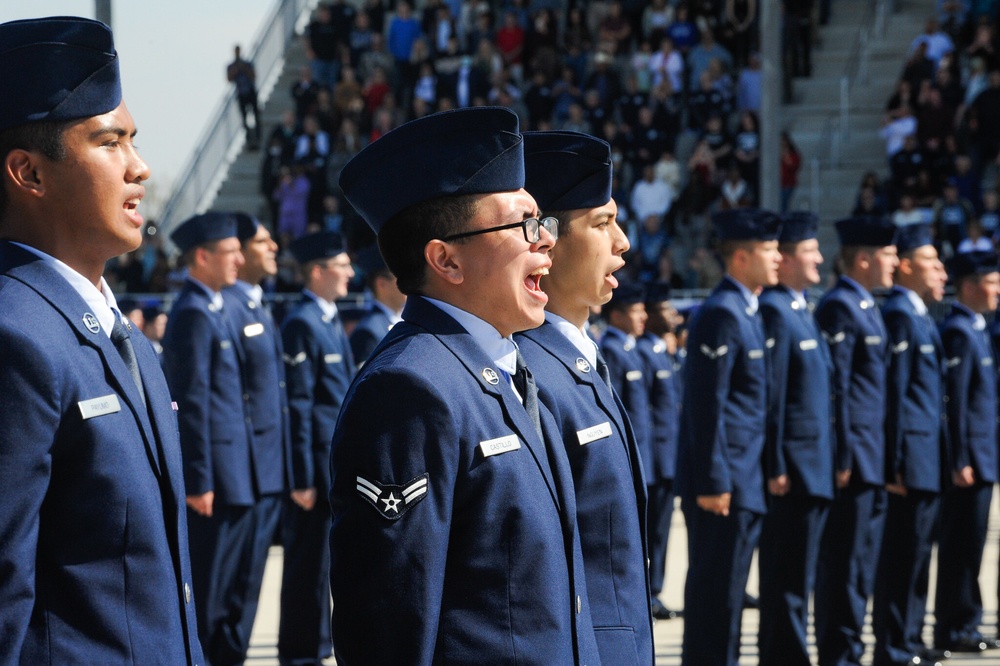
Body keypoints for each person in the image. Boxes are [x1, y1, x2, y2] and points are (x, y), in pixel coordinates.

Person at [331, 106, 599, 663]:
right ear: (446, 260)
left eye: (542, 222)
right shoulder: (410, 388)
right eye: (524, 225)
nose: (545, 241)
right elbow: (390, 624)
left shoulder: (506, 364)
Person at [0, 16, 201, 664]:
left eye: (133, 141)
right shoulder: (16, 339)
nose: (140, 169)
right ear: (29, 173)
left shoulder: (123, 339)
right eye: (110, 143)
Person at [514, 130, 654, 664]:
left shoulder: (578, 357)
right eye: (602, 224)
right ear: (545, 240)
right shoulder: (530, 370)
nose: (622, 242)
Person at [675, 208, 782, 666]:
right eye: (769, 250)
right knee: (716, 596)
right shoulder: (722, 313)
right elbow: (707, 404)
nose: (778, 258)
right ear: (741, 257)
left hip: (744, 477)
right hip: (724, 483)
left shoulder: (745, 309)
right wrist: (714, 480)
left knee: (732, 595)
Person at [162, 212, 263, 665]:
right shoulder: (192, 313)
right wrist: (199, 479)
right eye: (230, 252)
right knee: (210, 597)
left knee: (234, 597)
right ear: (202, 257)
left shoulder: (217, 306)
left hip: (237, 475)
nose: (240, 259)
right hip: (215, 483)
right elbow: (192, 403)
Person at [814, 216, 898, 666]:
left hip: (872, 457)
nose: (895, 263)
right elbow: (838, 388)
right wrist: (843, 454)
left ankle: (850, 649)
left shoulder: (864, 306)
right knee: (845, 567)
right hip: (856, 459)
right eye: (888, 255)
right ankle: (840, 654)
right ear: (863, 260)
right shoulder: (840, 306)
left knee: (861, 566)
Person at [756, 211, 835, 666]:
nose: (819, 257)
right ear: (783, 260)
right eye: (808, 250)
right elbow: (775, 396)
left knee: (800, 576)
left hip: (814, 467)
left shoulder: (800, 309)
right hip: (794, 470)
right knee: (786, 579)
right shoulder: (775, 311)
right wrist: (778, 464)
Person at [278, 229, 357, 664]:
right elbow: (300, 405)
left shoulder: (326, 318)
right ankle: (301, 651)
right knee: (306, 568)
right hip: (314, 471)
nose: (349, 272)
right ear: (317, 271)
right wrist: (305, 475)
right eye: (340, 265)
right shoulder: (302, 323)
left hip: (330, 464)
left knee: (323, 567)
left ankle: (318, 646)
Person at [873, 223, 949, 666]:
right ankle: (894, 644)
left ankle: (910, 637)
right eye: (931, 262)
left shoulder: (918, 313)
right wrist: (895, 460)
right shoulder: (901, 314)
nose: (940, 270)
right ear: (905, 266)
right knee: (903, 557)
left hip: (926, 456)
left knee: (919, 554)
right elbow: (896, 394)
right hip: (910, 459)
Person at [221, 213, 292, 657]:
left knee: (248, 588)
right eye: (263, 242)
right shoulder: (224, 307)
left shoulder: (256, 303)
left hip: (266, 470)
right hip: (239, 476)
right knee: (224, 592)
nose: (273, 249)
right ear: (240, 250)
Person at [935, 251, 1000, 654]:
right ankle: (955, 624)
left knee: (973, 545)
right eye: (992, 283)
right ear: (973, 285)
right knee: (960, 546)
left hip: (982, 454)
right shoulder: (959, 331)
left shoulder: (977, 328)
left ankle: (967, 621)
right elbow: (955, 403)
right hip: (969, 460)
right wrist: (959, 458)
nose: (997, 292)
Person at [638, 281, 684, 623]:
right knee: (647, 530)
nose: (675, 316)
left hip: (667, 458)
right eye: (666, 310)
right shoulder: (640, 351)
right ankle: (647, 593)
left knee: (661, 532)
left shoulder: (661, 351)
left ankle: (655, 590)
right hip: (651, 459)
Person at [349, 243, 406, 366]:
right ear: (382, 284)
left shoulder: (401, 319)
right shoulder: (369, 331)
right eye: (402, 277)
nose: (410, 283)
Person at [226, 44, 261, 148]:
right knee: (244, 118)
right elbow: (229, 79)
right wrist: (236, 70)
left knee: (256, 116)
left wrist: (244, 68)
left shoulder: (247, 64)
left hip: (251, 92)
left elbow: (253, 76)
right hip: (241, 94)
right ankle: (249, 138)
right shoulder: (231, 66)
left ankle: (257, 137)